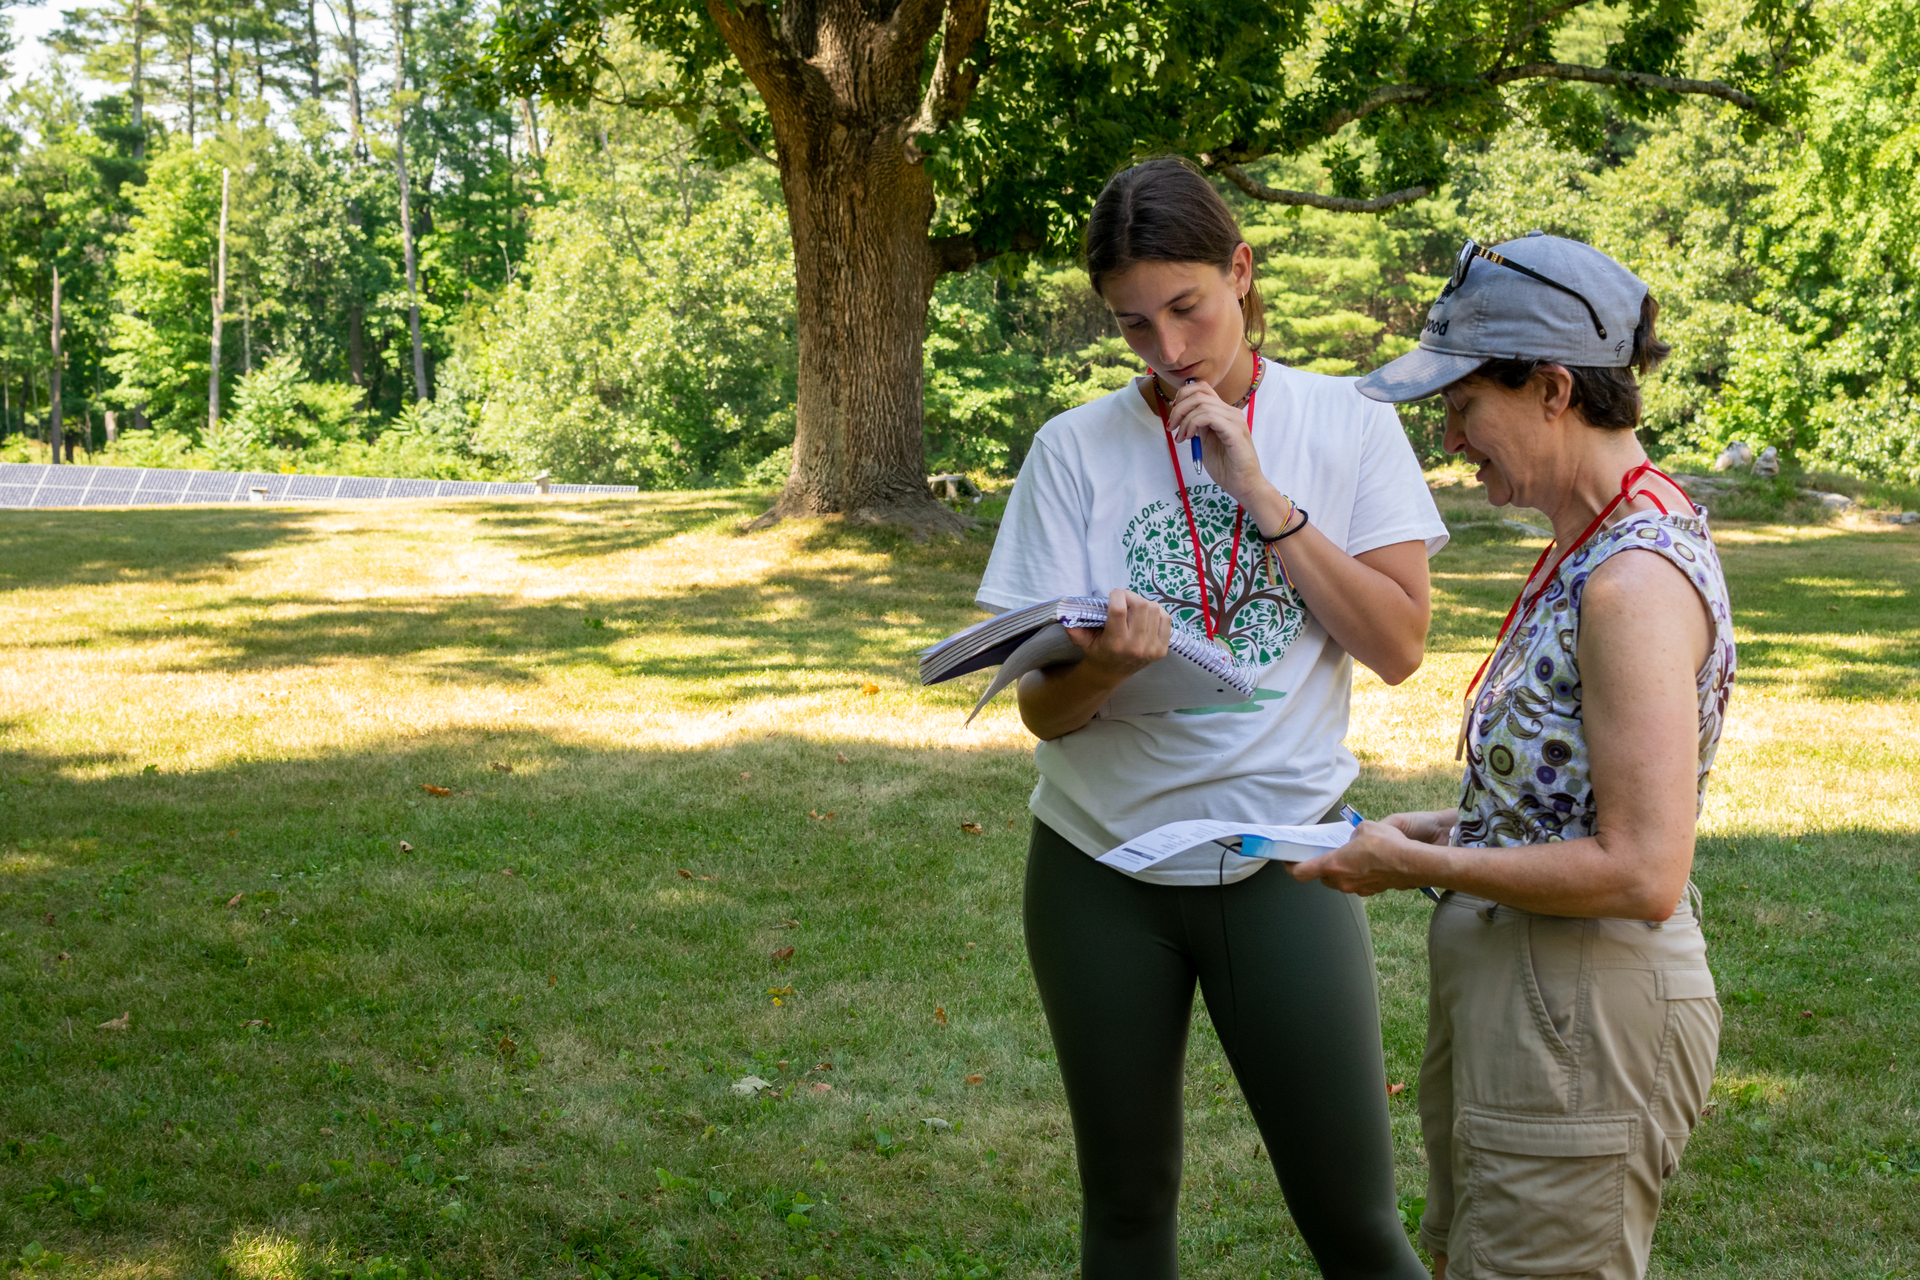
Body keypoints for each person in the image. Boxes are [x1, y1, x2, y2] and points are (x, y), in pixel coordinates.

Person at [976, 156, 1447, 1280]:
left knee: (1354, 1220)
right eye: (1135, 326)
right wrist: (1100, 671)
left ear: (1240, 270)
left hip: (1283, 857)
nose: (1170, 350)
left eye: (1187, 307)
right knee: (1127, 1207)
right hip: (1100, 863)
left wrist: (1261, 496)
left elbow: (1397, 648)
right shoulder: (1073, 448)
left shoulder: (1349, 423)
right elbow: (1042, 712)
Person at [1291, 233, 1734, 1279]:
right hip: (1533, 998)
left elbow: (1640, 868)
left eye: (1462, 405)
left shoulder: (1631, 581)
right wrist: (1442, 828)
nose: (1450, 437)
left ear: (1550, 388)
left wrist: (1423, 865)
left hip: (1576, 1010)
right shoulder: (1599, 538)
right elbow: (1569, 799)